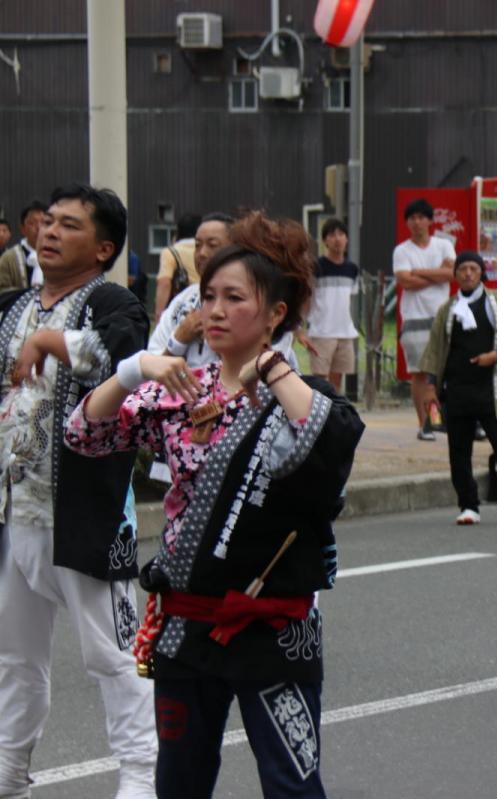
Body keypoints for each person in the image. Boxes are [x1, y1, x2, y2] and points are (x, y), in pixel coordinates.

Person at [64, 210, 364, 797]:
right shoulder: (180, 392)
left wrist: (272, 366)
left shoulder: (302, 397)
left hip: (274, 630)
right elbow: (83, 434)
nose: (216, 311)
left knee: (293, 786)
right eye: (208, 297)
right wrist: (132, 369)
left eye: (234, 298)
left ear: (276, 313)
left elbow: (326, 445)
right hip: (186, 627)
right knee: (180, 782)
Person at [0, 184, 156, 798]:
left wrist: (53, 342)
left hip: (83, 513)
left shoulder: (110, 299)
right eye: (48, 222)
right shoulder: (10, 308)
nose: (49, 231)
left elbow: (127, 354)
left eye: (69, 225)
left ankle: (142, 775)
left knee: (113, 656)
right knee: (15, 659)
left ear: (103, 247)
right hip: (15, 511)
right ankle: (10, 774)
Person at [419, 251, 497, 526]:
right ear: (456, 274)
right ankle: (468, 504)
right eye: (462, 269)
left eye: (473, 268)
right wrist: (431, 386)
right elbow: (435, 349)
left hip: (492, 389)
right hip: (457, 388)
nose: (468, 273)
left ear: (481, 272)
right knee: (458, 451)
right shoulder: (448, 310)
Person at [148, 213, 301, 371]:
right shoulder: (183, 302)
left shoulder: (262, 302)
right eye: (198, 245)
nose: (202, 253)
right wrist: (178, 340)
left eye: (213, 245)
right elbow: (149, 371)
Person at [392, 198, 455, 441]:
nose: (417, 222)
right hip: (414, 318)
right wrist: (437, 274)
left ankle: (439, 419)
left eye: (421, 217)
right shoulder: (402, 250)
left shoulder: (443, 245)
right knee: (418, 373)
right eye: (412, 218)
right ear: (407, 222)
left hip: (442, 317)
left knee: (442, 372)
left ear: (430, 220)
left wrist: (419, 272)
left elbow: (452, 273)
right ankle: (424, 424)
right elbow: (405, 281)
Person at [304, 217, 360, 394]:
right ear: (325, 241)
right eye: (332, 235)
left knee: (337, 382)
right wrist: (302, 327)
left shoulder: (352, 269)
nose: (337, 239)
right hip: (321, 332)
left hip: (344, 331)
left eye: (341, 234)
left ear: (347, 239)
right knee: (319, 381)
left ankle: (335, 418)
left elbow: (349, 298)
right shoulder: (315, 267)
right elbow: (306, 298)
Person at [154, 212, 200, 323]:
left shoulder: (171, 252)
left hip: (181, 308)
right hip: (205, 303)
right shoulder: (207, 251)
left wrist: (159, 314)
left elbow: (164, 283)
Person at [0, 201, 47, 291]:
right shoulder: (8, 258)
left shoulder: (59, 256)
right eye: (32, 223)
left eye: (44, 222)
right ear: (23, 229)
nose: (38, 227)